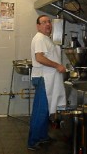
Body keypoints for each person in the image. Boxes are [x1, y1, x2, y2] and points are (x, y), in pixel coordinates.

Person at [27, 15, 67, 151]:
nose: (47, 24)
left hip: (48, 78)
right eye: (43, 22)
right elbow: (39, 58)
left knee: (45, 111)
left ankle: (42, 136)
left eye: (49, 21)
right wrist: (57, 66)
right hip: (44, 78)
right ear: (38, 26)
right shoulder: (39, 38)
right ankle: (32, 142)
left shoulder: (46, 39)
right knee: (40, 111)